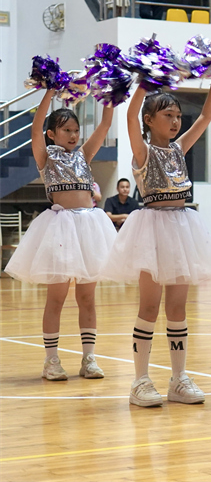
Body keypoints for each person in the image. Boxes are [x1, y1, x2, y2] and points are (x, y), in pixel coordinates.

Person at [103, 81, 211, 407]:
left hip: (182, 227)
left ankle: (178, 380)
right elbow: (129, 117)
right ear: (148, 119)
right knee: (148, 307)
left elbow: (206, 116)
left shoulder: (179, 148)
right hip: (152, 230)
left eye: (177, 116)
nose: (174, 121)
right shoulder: (143, 151)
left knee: (177, 309)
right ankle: (139, 381)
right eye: (167, 115)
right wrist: (143, 81)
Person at [5, 89, 117, 381]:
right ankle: (51, 360)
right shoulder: (46, 156)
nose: (73, 135)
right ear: (52, 134)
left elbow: (105, 126)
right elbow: (35, 126)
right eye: (66, 130)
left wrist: (110, 95)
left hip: (89, 228)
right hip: (60, 229)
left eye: (76, 130)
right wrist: (49, 93)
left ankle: (89, 358)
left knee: (88, 298)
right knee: (56, 298)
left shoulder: (84, 155)